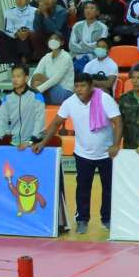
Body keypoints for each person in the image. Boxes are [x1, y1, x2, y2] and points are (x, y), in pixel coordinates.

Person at [34, 76, 123, 233]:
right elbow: (56, 123)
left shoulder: (104, 99)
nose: (79, 89)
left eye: (83, 86)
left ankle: (107, 219)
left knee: (108, 188)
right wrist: (43, 143)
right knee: (82, 189)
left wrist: (115, 145)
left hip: (106, 154)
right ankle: (82, 219)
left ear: (91, 86)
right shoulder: (69, 102)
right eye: (76, 86)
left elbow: (118, 121)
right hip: (82, 154)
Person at [0, 65, 49, 151]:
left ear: (26, 78)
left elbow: (40, 121)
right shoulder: (7, 98)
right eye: (13, 76)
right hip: (15, 145)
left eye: (18, 76)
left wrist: (30, 142)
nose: (15, 79)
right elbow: (2, 120)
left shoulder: (36, 96)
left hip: (34, 145)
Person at [0, 0, 39, 65]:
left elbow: (38, 27)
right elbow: (7, 29)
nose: (19, 1)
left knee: (23, 31)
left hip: (30, 37)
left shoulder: (35, 11)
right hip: (15, 37)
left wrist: (28, 32)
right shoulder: (9, 12)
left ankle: (24, 60)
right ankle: (11, 61)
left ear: (28, 0)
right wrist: (16, 33)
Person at [32, 33, 75, 103]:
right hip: (49, 89)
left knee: (39, 79)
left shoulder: (66, 57)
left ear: (62, 43)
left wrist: (38, 89)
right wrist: (28, 89)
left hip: (64, 91)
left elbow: (55, 79)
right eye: (51, 39)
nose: (53, 41)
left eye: (56, 39)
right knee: (36, 77)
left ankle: (37, 97)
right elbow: (35, 74)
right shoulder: (46, 57)